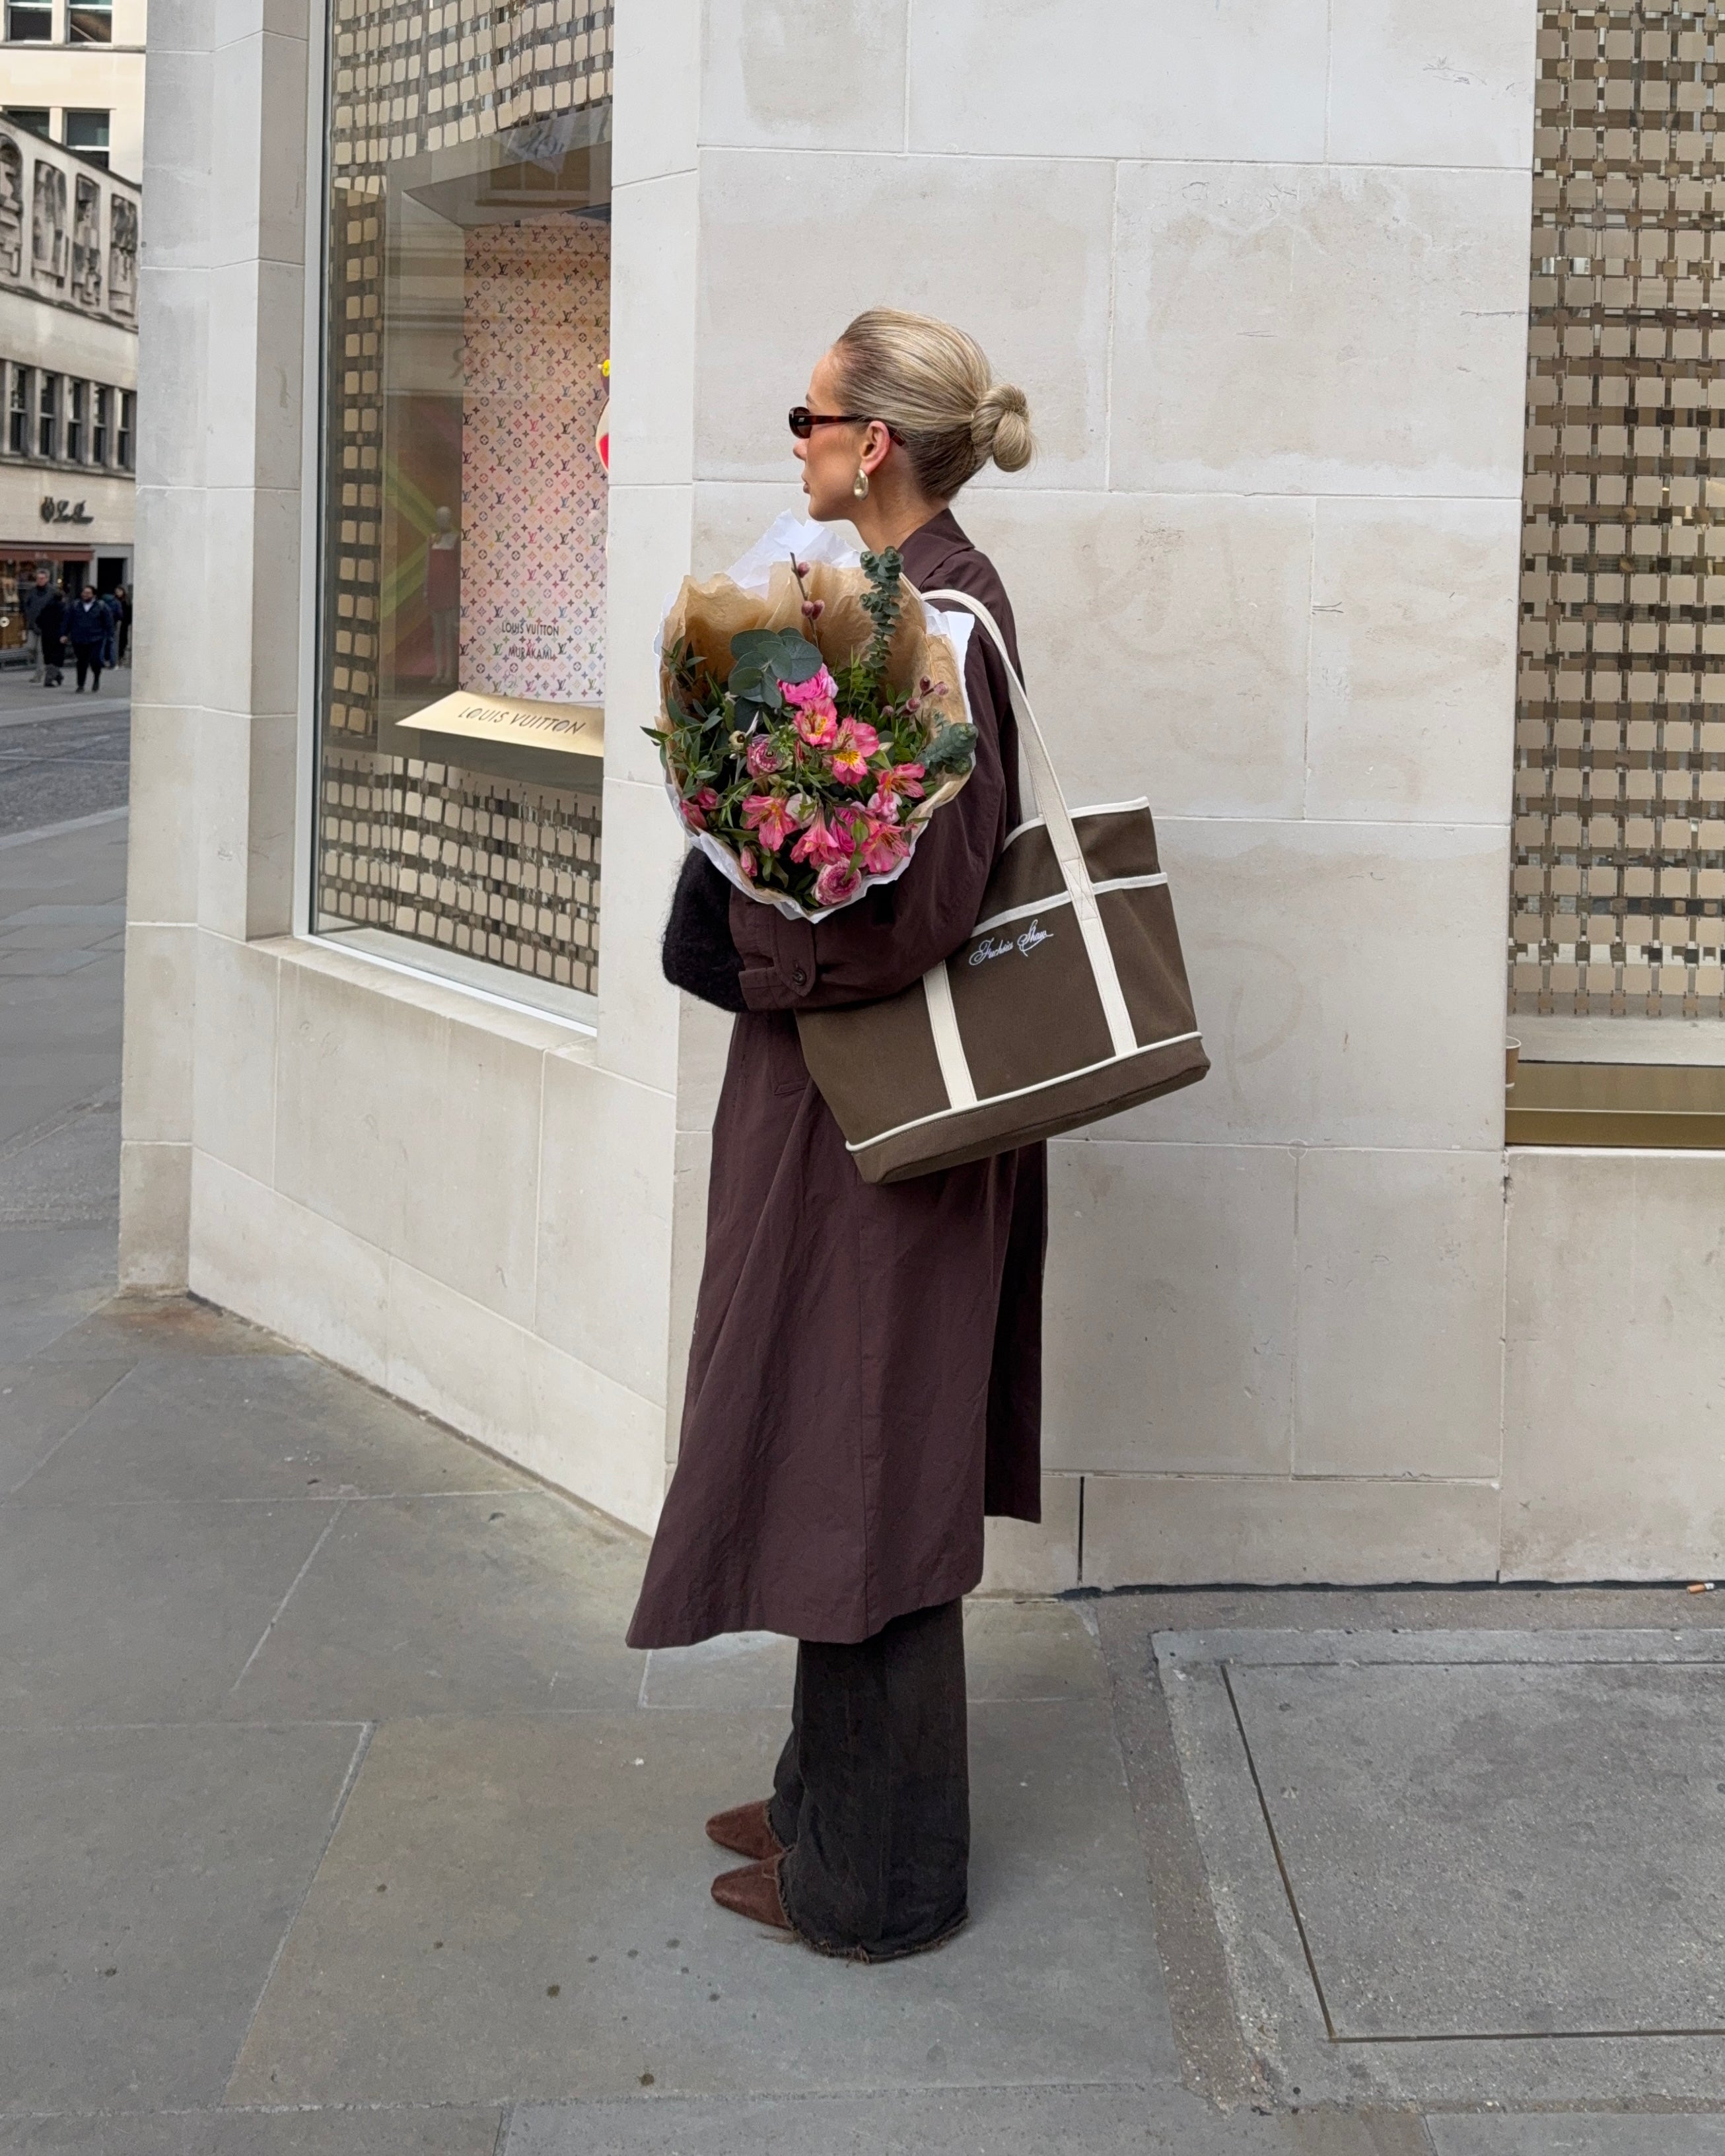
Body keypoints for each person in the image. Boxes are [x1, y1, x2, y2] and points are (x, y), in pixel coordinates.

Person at [632, 309, 1043, 1961]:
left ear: (872, 442)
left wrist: (750, 942)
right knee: (845, 1446)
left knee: (867, 1460)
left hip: (878, 1120)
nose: (788, 440)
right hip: (851, 1110)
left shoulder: (929, 619)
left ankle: (878, 1879)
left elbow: (918, 906)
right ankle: (830, 1794)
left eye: (804, 415)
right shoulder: (904, 597)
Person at [424, 506, 460, 685]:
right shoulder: (432, 539)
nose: (442, 520)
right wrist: (425, 589)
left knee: (449, 633)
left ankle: (449, 673)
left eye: (445, 517)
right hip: (435, 589)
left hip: (450, 590)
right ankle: (439, 670)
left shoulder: (456, 539)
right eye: (439, 517)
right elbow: (428, 565)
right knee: (438, 634)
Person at [66, 586, 107, 692]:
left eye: (88, 593)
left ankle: (96, 677)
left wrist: (108, 635)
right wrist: (64, 634)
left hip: (96, 638)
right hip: (79, 638)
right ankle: (81, 685)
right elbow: (68, 620)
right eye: (84, 593)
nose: (85, 595)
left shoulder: (100, 606)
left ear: (93, 595)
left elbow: (108, 621)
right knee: (81, 662)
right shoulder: (75, 605)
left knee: (95, 660)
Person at [22, 571, 53, 683]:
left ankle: (39, 675)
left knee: (41, 651)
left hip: (46, 627)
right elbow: (26, 604)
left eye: (42, 578)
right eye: (38, 578)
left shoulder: (52, 592)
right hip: (32, 625)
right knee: (30, 648)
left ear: (47, 579)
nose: (40, 580)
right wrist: (28, 616)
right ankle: (44, 666)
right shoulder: (32, 591)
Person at [36, 582, 66, 689]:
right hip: (58, 636)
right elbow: (65, 622)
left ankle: (58, 675)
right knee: (56, 658)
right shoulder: (63, 608)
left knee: (48, 657)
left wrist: (44, 628)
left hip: (46, 635)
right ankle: (49, 680)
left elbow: (38, 620)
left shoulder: (47, 608)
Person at [114, 585, 132, 667]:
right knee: (117, 640)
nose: (118, 593)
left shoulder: (126, 601)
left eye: (119, 592)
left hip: (124, 623)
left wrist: (128, 622)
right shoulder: (115, 601)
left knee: (123, 640)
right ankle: (118, 657)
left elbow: (129, 613)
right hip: (117, 623)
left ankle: (121, 657)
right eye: (117, 592)